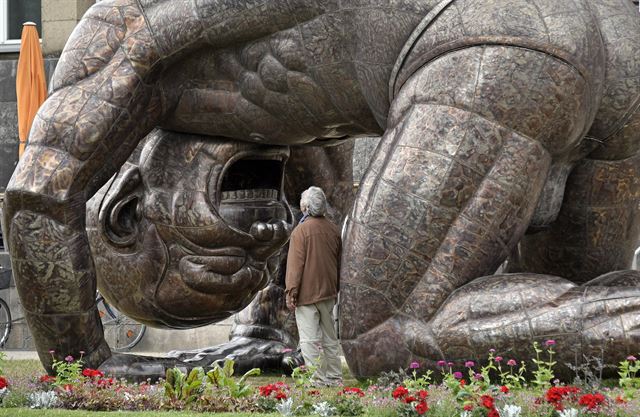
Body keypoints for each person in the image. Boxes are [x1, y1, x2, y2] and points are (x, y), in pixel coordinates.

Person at [285, 186, 342, 386]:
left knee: (309, 341)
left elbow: (295, 266)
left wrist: (291, 292)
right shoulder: (333, 230)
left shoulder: (300, 231)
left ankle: (317, 381)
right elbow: (339, 262)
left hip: (307, 296)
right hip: (328, 293)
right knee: (330, 339)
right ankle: (335, 378)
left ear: (306, 207)